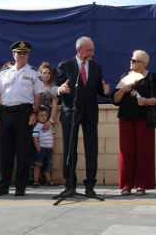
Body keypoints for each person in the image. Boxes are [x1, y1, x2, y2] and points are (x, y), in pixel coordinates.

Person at [52, 36, 110, 198]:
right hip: (70, 112)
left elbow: (99, 89)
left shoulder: (96, 67)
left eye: (92, 49)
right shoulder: (65, 65)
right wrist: (60, 90)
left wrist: (104, 90)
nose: (93, 52)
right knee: (70, 150)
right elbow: (54, 87)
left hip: (90, 113)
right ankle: (70, 184)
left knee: (92, 150)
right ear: (79, 50)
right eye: (89, 49)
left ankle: (90, 185)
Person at [0, 41, 45, 197]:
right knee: (5, 151)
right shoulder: (4, 72)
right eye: (18, 53)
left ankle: (20, 186)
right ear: (13, 54)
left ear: (28, 55)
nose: (21, 55)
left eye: (24, 53)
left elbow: (38, 95)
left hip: (24, 114)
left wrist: (35, 112)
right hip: (5, 113)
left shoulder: (34, 73)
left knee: (23, 151)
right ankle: (3, 185)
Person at [111, 50, 156, 196]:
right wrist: (122, 90)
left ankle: (142, 184)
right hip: (125, 118)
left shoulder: (151, 77)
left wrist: (146, 101)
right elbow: (115, 99)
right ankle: (126, 184)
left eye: (134, 60)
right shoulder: (125, 77)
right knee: (126, 152)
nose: (131, 62)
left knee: (143, 152)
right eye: (131, 60)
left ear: (143, 63)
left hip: (144, 119)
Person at [32, 108, 54, 187]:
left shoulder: (50, 126)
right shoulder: (38, 126)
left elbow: (52, 135)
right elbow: (35, 138)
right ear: (37, 118)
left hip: (49, 149)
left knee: (47, 166)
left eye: (45, 115)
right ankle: (36, 181)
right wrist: (38, 148)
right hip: (42, 149)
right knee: (38, 165)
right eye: (41, 116)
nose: (44, 117)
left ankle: (48, 180)